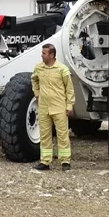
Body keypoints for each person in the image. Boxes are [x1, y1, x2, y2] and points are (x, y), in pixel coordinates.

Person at [31, 43, 75, 171]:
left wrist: (69, 105)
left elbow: (69, 89)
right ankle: (45, 161)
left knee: (62, 135)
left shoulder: (62, 69)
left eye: (44, 53)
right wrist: (37, 94)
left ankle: (65, 161)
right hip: (44, 107)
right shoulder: (39, 68)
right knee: (44, 135)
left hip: (59, 107)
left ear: (51, 55)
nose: (42, 55)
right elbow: (34, 79)